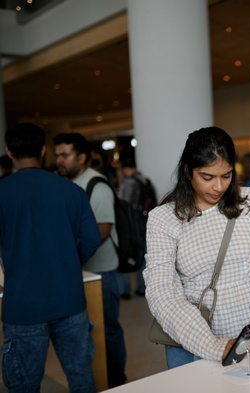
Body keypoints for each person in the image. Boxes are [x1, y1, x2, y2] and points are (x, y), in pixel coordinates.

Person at [144, 127, 250, 368]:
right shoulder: (164, 218)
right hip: (196, 345)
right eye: (207, 177)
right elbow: (163, 293)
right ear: (188, 171)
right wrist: (212, 345)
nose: (218, 187)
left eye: (226, 176)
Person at [0, 123, 101, 392]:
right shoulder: (71, 191)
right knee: (80, 377)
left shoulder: (2, 192)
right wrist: (68, 262)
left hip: (23, 305)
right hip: (70, 300)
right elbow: (92, 239)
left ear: (9, 152)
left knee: (24, 384)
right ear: (43, 150)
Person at [54, 133, 128, 388]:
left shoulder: (96, 185)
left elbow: (102, 232)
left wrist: (67, 257)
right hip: (82, 272)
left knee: (108, 330)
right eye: (57, 155)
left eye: (65, 155)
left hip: (102, 272)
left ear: (82, 157)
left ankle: (117, 381)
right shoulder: (64, 184)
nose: (59, 160)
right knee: (89, 331)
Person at [118, 155, 157, 298]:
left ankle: (125, 290)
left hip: (131, 225)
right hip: (146, 222)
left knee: (126, 253)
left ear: (124, 168)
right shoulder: (145, 180)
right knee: (144, 254)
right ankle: (142, 287)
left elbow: (124, 206)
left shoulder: (128, 183)